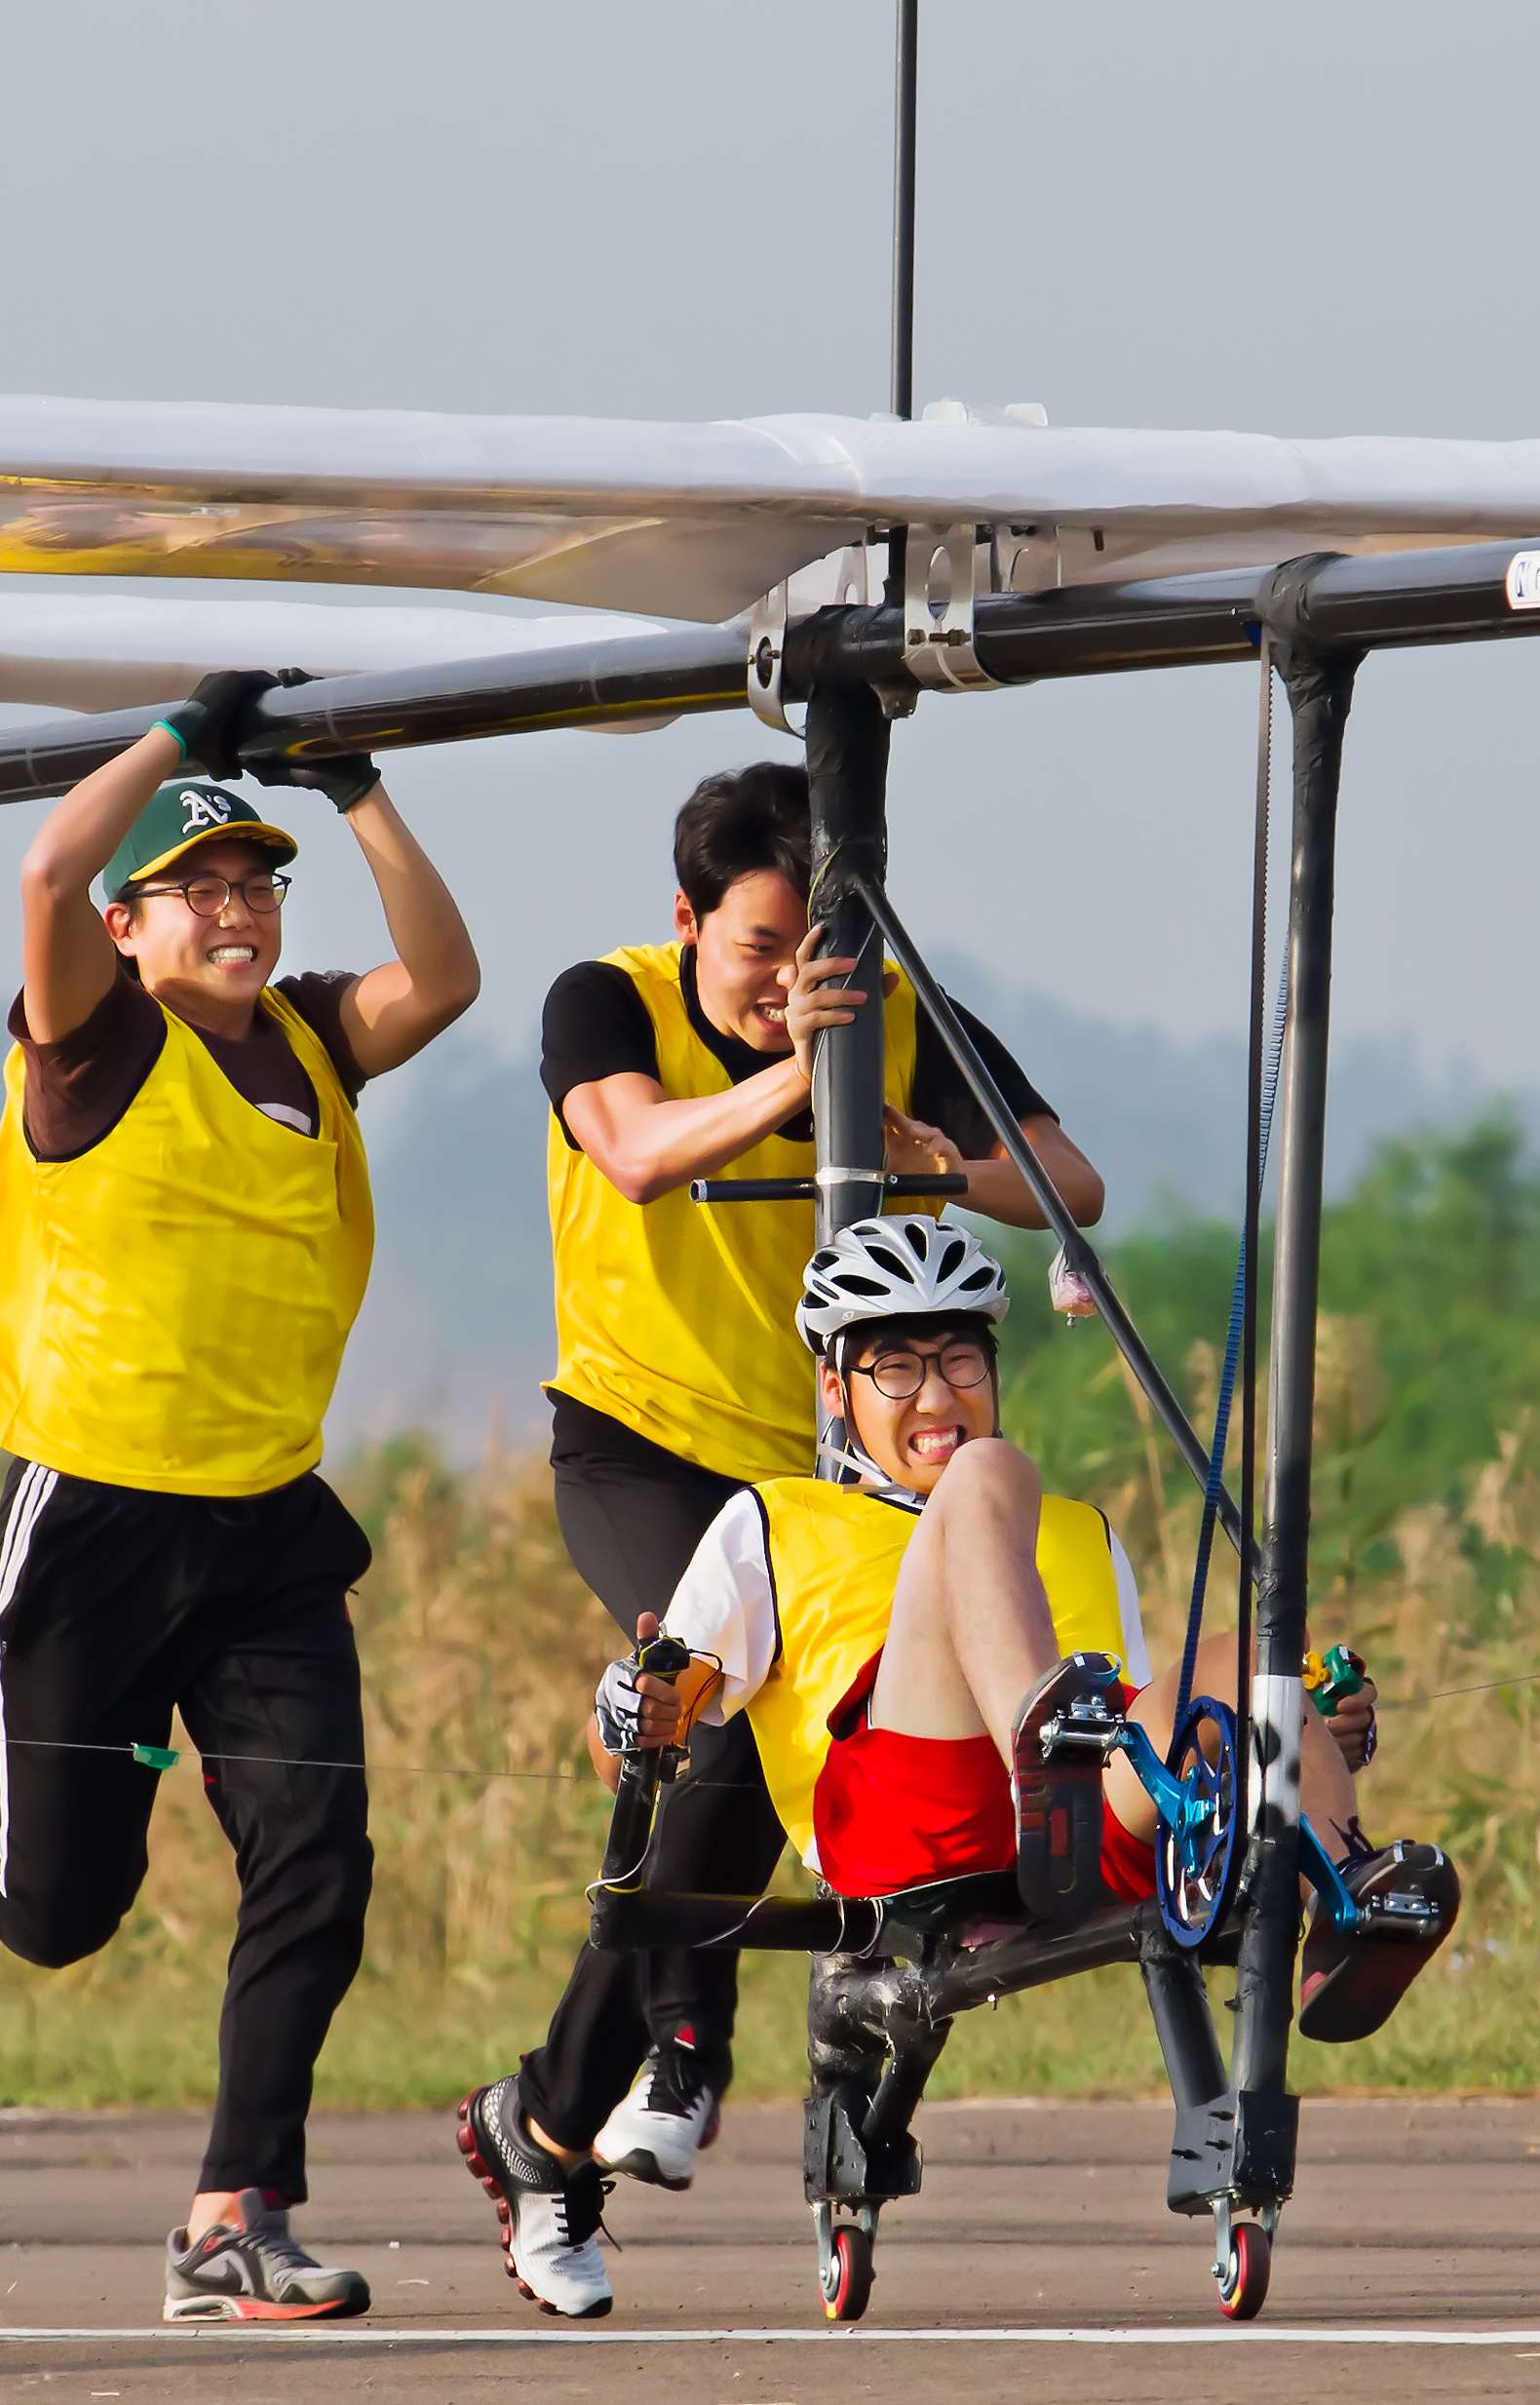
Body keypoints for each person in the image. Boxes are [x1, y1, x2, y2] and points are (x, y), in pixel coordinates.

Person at [458, 1217, 1383, 2320]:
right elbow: (672, 1700)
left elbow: (1153, 1708)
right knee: (987, 1484)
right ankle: (1039, 1740)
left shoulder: (1080, 1530)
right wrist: (639, 1700)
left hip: (1084, 1819)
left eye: (958, 1360)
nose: (936, 1396)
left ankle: (1349, 1893)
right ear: (835, 1390)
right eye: (895, 1366)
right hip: (906, 1814)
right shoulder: (776, 1516)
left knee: (1242, 1656)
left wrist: (1297, 1726)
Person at [0, 668, 480, 2324]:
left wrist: (359, 793)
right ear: (135, 930)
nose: (239, 909)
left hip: (264, 1521)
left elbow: (447, 976)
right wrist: (174, 739)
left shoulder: (309, 1041)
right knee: (64, 1915)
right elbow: (43, 879)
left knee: (320, 1852)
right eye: (200, 889)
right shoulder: (95, 1043)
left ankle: (236, 2211)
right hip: (97, 1520)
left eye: (256, 883)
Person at [537, 761, 1104, 2192]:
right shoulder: (608, 998)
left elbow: (1067, 1179)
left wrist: (939, 1160)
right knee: (714, 1689)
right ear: (686, 917)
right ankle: (685, 2047)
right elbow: (635, 1150)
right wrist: (812, 1067)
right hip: (642, 1432)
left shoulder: (890, 1010)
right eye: (756, 949)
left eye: (816, 951)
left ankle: (557, 2107)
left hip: (819, 1462)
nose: (787, 977)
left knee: (836, 1723)